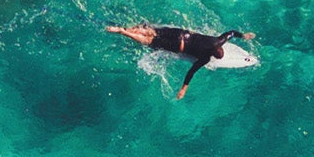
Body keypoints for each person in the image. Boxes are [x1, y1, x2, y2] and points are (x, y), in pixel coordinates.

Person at [106, 22, 257, 99]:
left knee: (153, 32)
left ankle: (126, 28)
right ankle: (123, 32)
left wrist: (243, 36)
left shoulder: (218, 40)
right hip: (178, 46)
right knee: (149, 41)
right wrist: (183, 89)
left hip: (182, 34)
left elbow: (231, 33)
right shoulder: (205, 58)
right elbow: (191, 71)